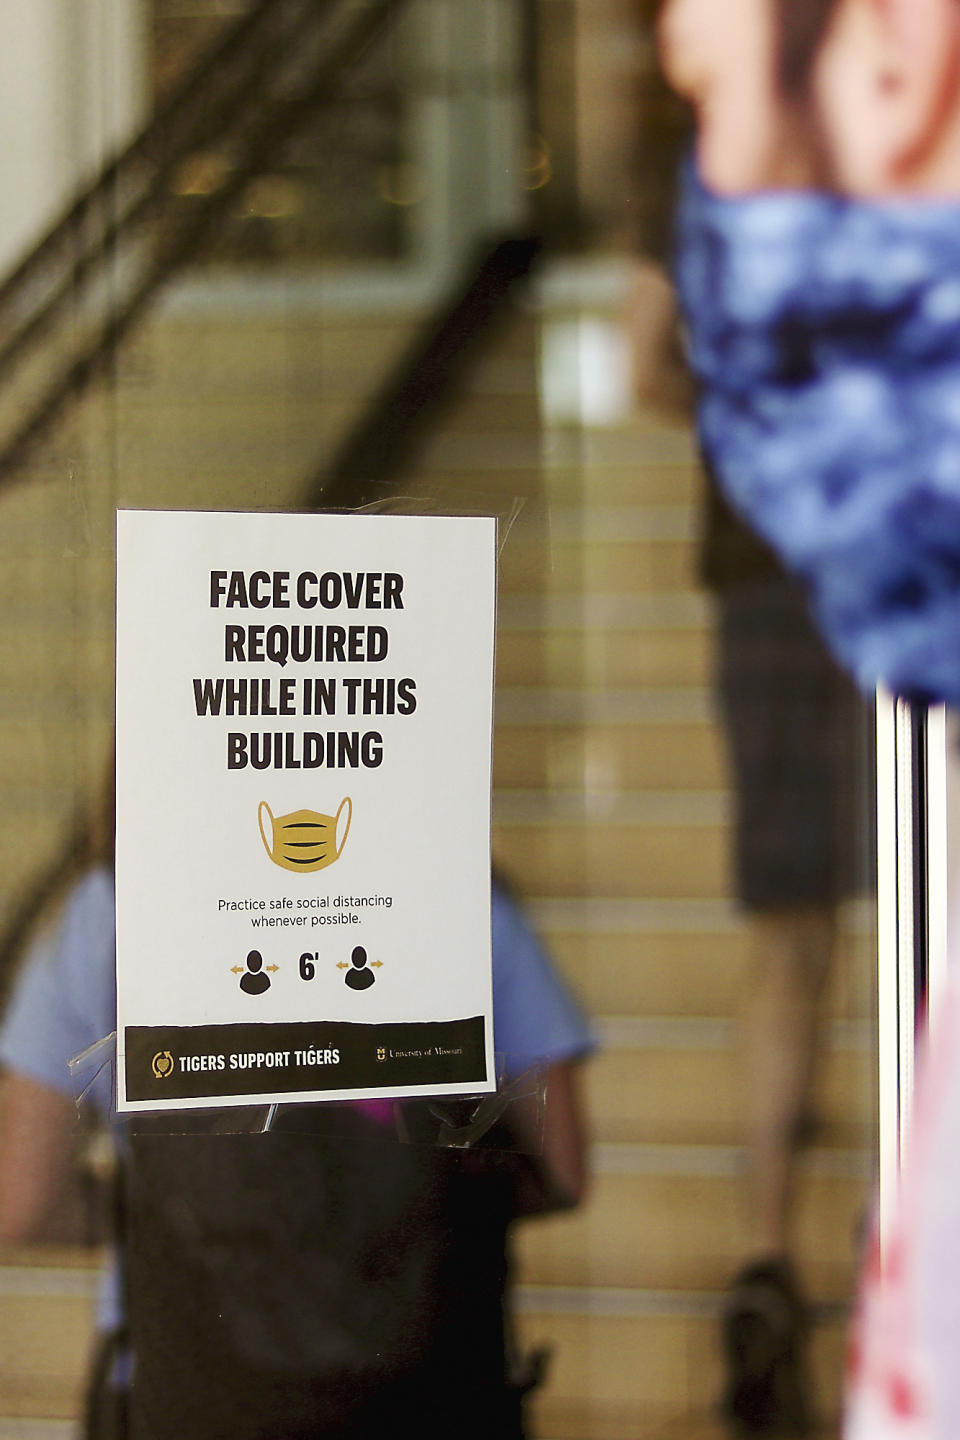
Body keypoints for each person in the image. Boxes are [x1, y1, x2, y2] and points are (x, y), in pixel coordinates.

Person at [656, 1, 960, 1437]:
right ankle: (783, 1247)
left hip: (796, 581)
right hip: (793, 583)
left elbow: (676, 354)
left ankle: (781, 1247)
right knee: (810, 924)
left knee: (815, 928)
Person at [0, 861, 591, 1439]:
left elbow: (23, 1201)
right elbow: (560, 1170)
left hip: (182, 1381)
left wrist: (159, 1213)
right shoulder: (460, 894)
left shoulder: (104, 908)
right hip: (432, 1373)